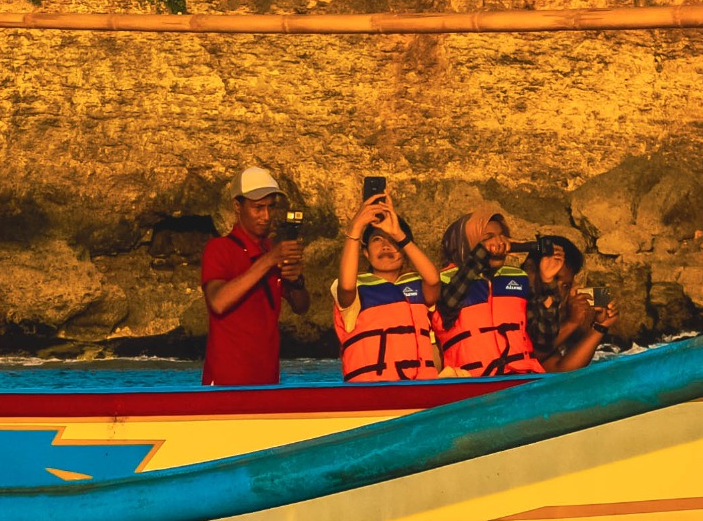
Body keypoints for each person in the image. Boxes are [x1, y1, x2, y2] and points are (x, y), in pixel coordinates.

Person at [200, 164, 308, 386]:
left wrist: (296, 281)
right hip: (225, 381)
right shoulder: (220, 248)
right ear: (237, 206)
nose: (266, 216)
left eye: (270, 207)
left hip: (267, 379)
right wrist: (268, 261)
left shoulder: (272, 249)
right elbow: (218, 302)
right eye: (258, 208)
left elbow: (301, 307)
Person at [330, 188, 443, 382]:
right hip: (372, 389)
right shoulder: (355, 289)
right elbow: (346, 288)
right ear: (365, 253)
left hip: (420, 387)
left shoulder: (419, 286)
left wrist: (399, 234)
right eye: (377, 240)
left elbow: (434, 280)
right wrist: (355, 229)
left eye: (393, 242)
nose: (386, 246)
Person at [435, 204, 542, 377]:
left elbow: (543, 339)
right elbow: (449, 304)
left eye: (502, 237)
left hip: (521, 379)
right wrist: (481, 253)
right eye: (488, 238)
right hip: (470, 382)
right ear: (467, 243)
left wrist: (547, 281)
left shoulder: (519, 279)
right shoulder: (443, 281)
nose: (499, 243)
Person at [526, 234, 617, 374]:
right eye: (554, 278)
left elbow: (558, 370)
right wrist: (571, 322)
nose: (559, 292)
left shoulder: (546, 315)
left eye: (566, 286)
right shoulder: (509, 300)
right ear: (530, 269)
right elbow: (528, 356)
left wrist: (600, 327)